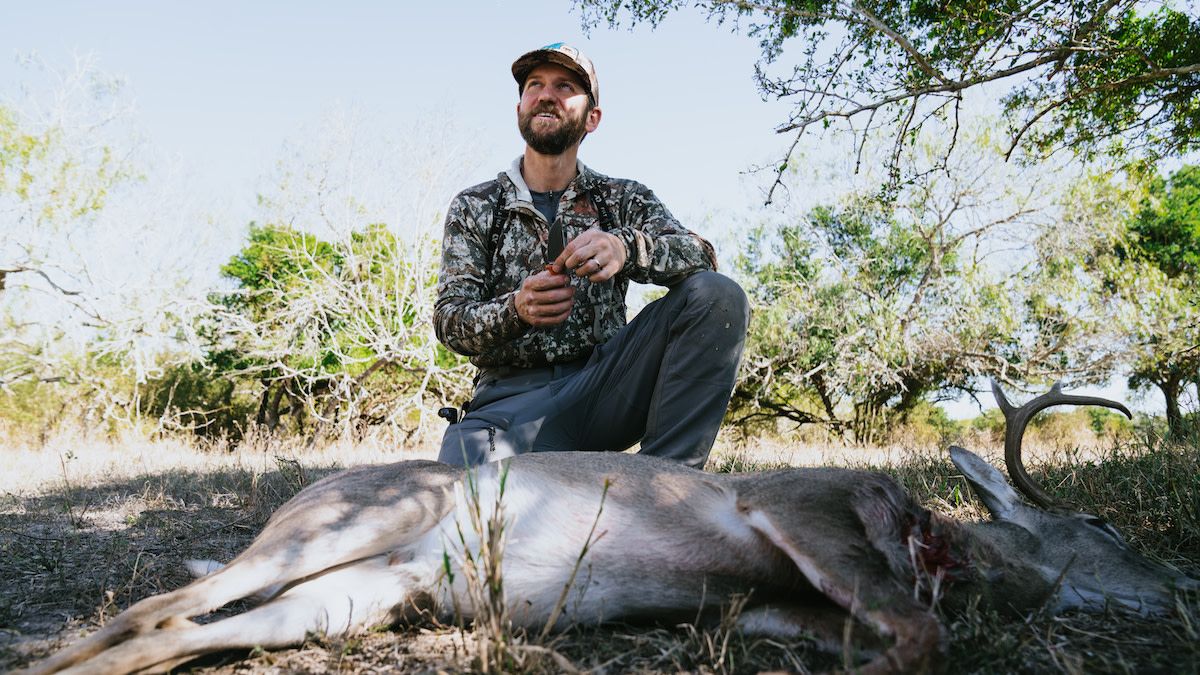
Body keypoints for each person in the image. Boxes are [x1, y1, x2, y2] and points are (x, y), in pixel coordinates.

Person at [435, 43, 749, 469]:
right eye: (535, 85)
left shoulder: (623, 197)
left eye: (565, 86)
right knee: (464, 505)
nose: (547, 94)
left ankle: (668, 483)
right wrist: (517, 309)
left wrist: (627, 248)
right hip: (508, 407)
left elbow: (703, 257)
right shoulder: (476, 206)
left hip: (604, 390)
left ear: (592, 118)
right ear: (519, 108)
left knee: (717, 294)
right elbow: (449, 322)